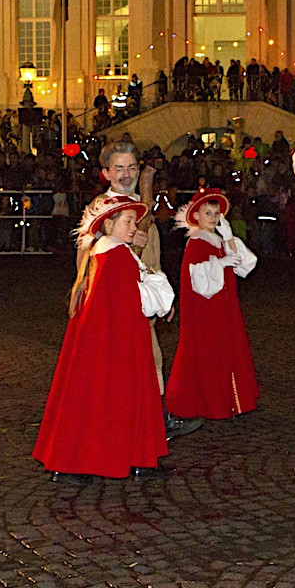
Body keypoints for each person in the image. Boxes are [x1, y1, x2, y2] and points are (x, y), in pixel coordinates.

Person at [34, 195, 174, 481]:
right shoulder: (116, 254)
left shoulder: (101, 254)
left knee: (89, 396)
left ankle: (78, 459)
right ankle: (131, 458)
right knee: (120, 396)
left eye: (134, 221)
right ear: (109, 224)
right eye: (128, 221)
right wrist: (158, 287)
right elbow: (142, 302)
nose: (134, 227)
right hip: (121, 342)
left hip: (102, 341)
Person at [76, 141, 203, 440]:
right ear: (106, 173)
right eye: (119, 168)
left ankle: (152, 421)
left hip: (146, 295)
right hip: (121, 301)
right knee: (138, 362)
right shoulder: (101, 209)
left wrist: (164, 296)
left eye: (132, 167)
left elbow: (153, 257)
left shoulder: (141, 205)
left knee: (152, 359)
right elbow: (88, 256)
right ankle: (147, 425)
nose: (126, 174)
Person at [165, 188, 260, 420]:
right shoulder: (197, 242)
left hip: (223, 307)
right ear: (196, 215)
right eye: (207, 212)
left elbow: (243, 264)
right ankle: (208, 402)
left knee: (224, 349)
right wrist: (219, 264)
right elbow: (198, 280)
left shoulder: (216, 239)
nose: (213, 217)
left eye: (216, 213)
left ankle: (227, 400)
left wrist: (228, 240)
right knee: (208, 352)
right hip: (207, 311)